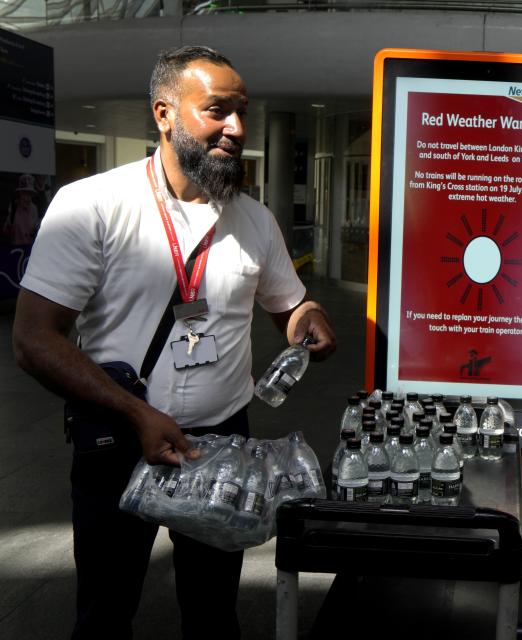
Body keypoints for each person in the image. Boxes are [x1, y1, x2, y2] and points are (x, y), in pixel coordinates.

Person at [11, 45, 336, 639]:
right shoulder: (92, 206)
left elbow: (288, 305)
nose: (237, 128)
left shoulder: (254, 220)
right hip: (119, 442)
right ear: (164, 113)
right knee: (106, 614)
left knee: (213, 612)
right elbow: (33, 339)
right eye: (217, 111)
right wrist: (137, 413)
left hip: (222, 448)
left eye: (242, 112)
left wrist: (306, 321)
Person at [4, 174, 41, 245]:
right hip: (16, 251)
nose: (27, 198)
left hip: (30, 250)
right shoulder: (13, 207)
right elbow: (6, 231)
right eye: (24, 194)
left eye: (30, 194)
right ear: (20, 194)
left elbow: (37, 230)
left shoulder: (34, 209)